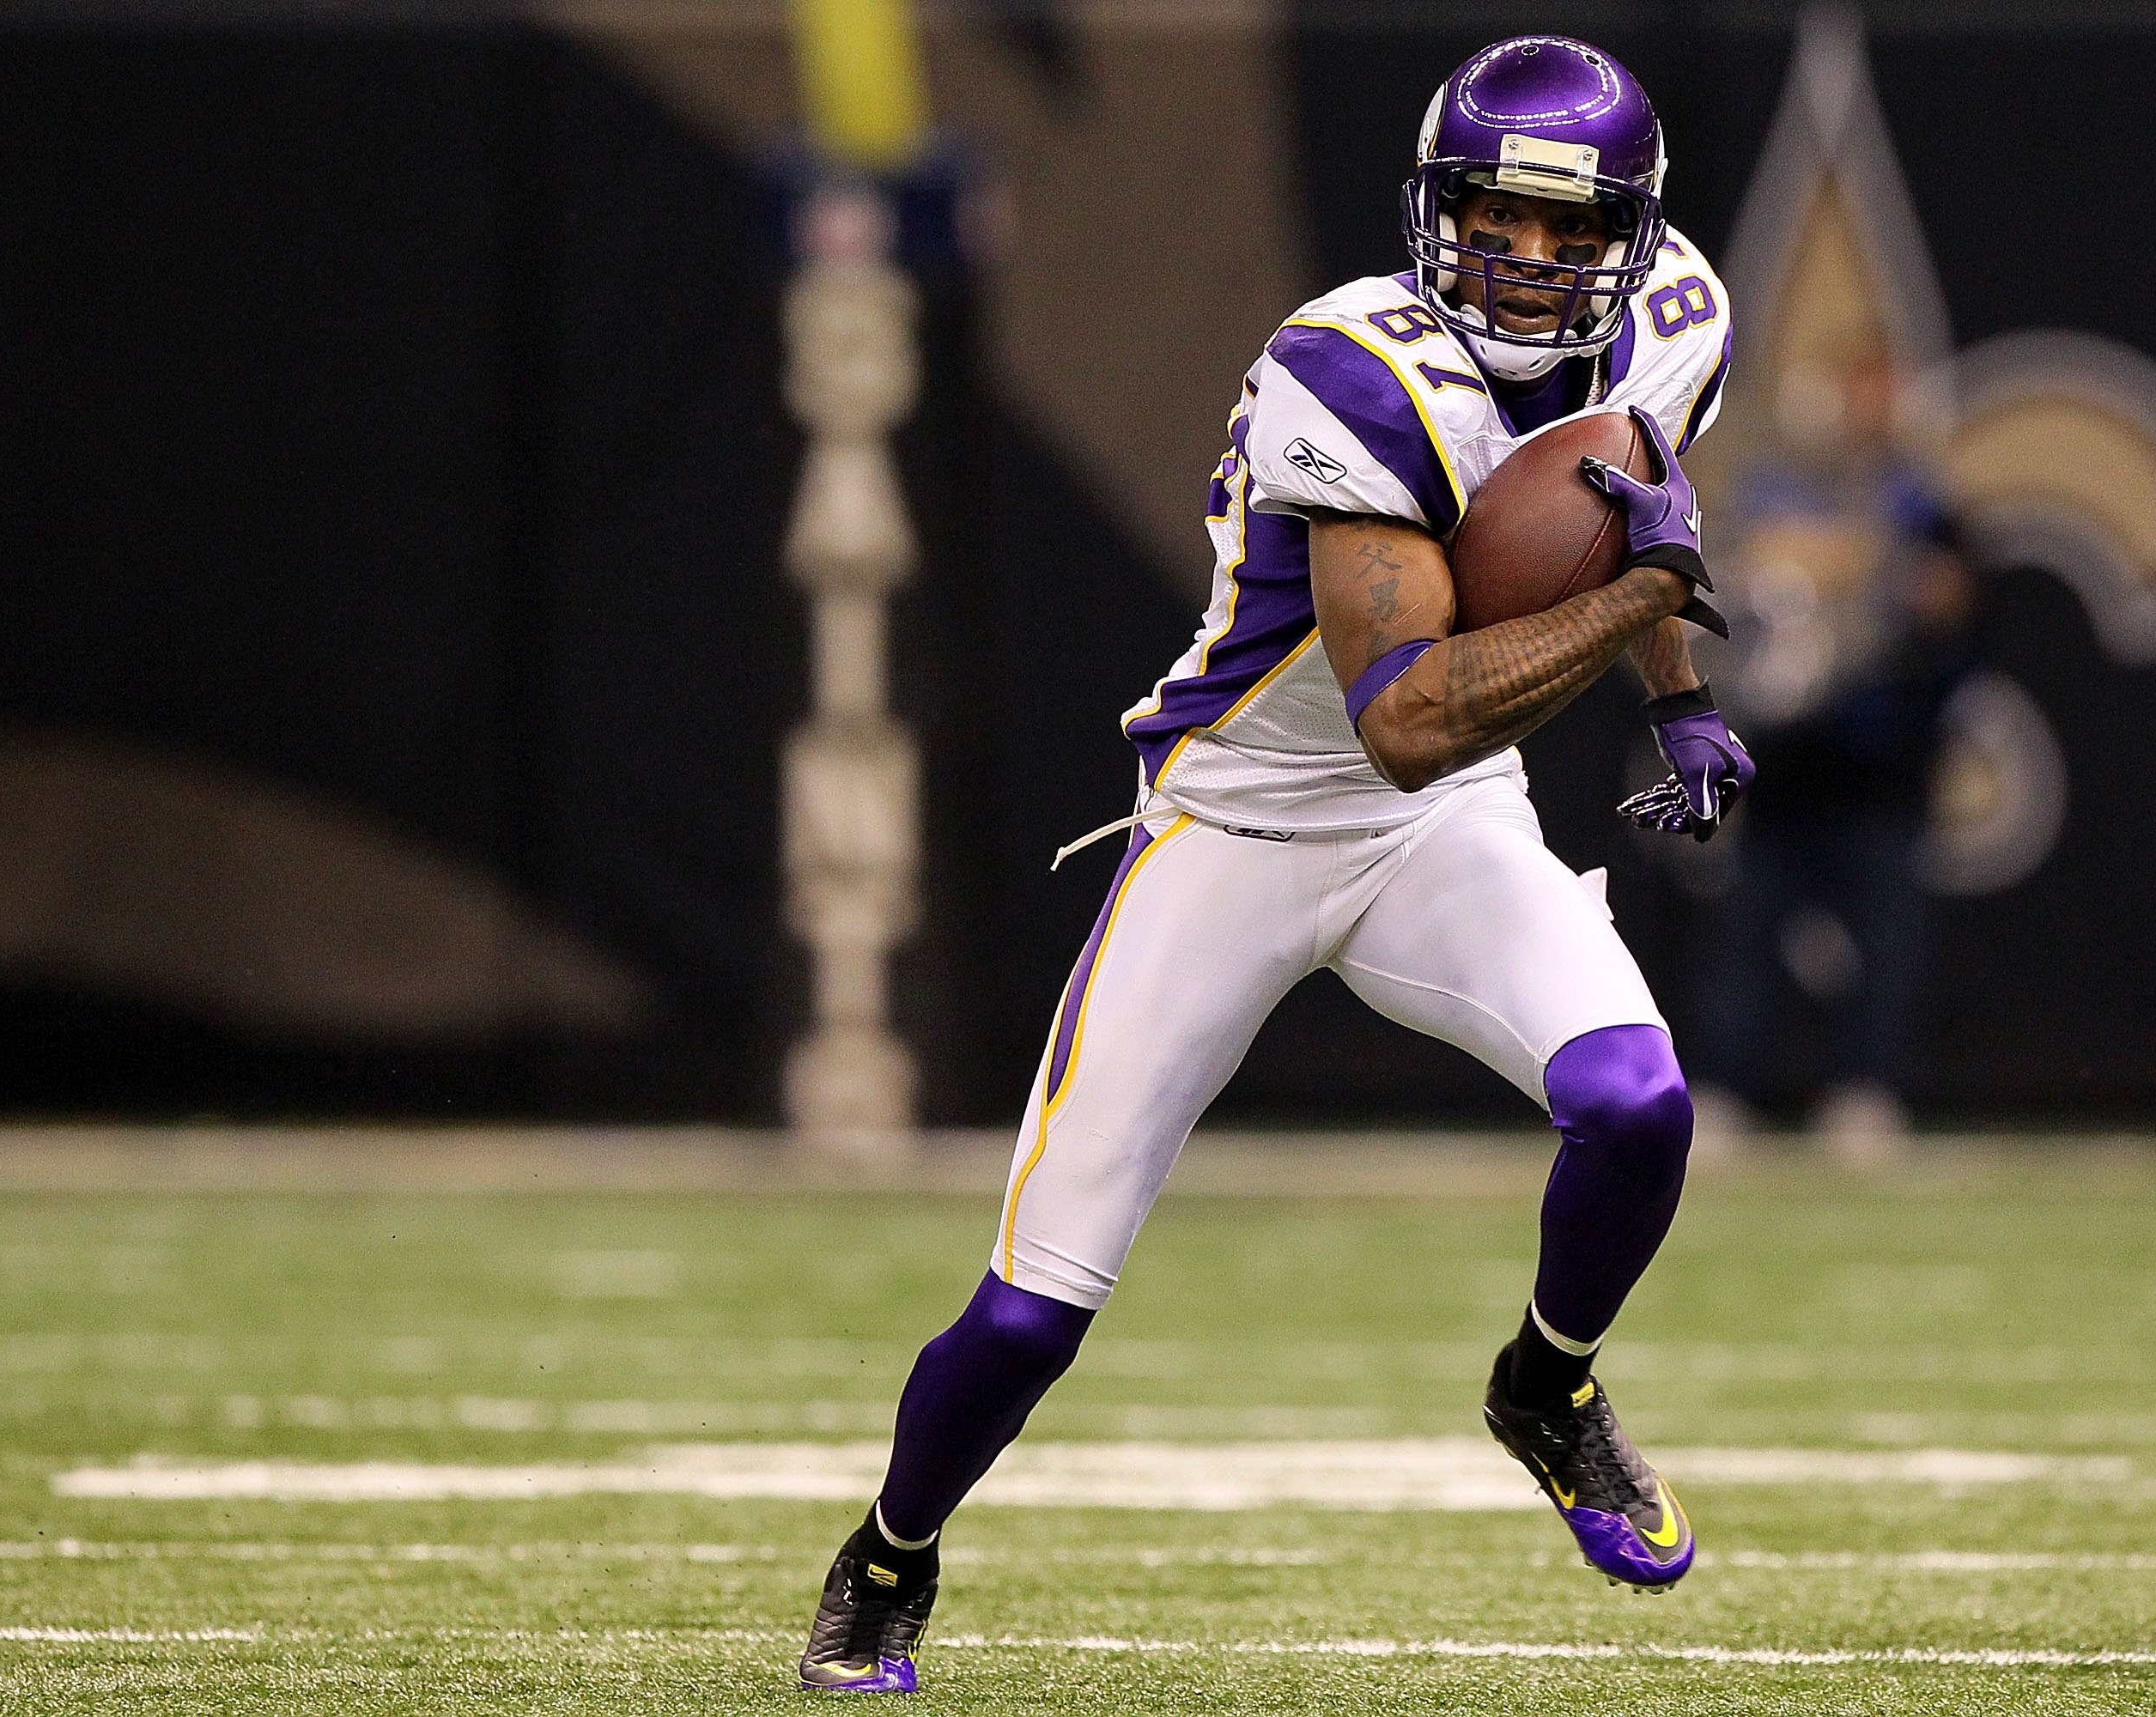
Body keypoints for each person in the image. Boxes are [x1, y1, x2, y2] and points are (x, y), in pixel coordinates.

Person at [798, 35, 1748, 1692]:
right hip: (1244, 819)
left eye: (1566, 229)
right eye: (1492, 219)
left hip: (1440, 832)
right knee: (1033, 1310)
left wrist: (1682, 700)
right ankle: (890, 1554)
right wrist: (1646, 614)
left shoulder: (1678, 326)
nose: (1527, 259)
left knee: (1638, 1105)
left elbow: (1625, 507)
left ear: (1636, 238)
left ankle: (1548, 1382)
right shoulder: (1353, 369)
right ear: (1431, 209)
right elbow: (1412, 712)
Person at [1686, 340, 1979, 1152]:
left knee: (1884, 940)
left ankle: (1866, 1089)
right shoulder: (1771, 491)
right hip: (1782, 754)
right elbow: (1716, 599)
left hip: (1879, 756)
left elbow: (1953, 614)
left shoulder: (1922, 502)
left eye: (1883, 391)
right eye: (1857, 390)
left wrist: (1908, 589)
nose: (1868, 410)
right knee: (1748, 932)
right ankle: (1726, 1084)